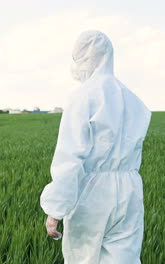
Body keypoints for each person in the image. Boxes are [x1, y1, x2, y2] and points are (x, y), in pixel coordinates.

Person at [40, 30, 152, 263]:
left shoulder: (83, 97)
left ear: (87, 59)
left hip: (92, 193)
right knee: (126, 258)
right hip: (129, 191)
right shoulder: (134, 100)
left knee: (84, 258)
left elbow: (71, 157)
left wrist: (55, 209)